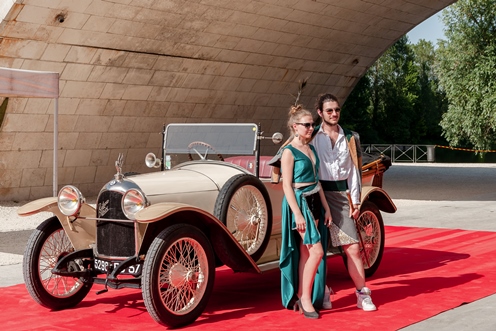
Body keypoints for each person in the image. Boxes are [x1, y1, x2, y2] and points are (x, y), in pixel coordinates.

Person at [311, 93, 377, 312]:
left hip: (342, 196)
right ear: (320, 113)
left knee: (353, 248)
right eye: (329, 110)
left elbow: (354, 172)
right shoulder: (311, 136)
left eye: (337, 110)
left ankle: (362, 294)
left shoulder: (350, 137)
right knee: (318, 249)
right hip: (317, 195)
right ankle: (324, 291)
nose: (334, 114)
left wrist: (355, 201)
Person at [279, 104, 332, 319]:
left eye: (313, 124)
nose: (311, 128)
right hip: (300, 204)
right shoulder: (288, 152)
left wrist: (326, 207)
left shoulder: (310, 149)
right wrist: (298, 215)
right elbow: (286, 186)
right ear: (295, 126)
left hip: (315, 201)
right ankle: (306, 299)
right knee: (317, 252)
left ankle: (302, 293)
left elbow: (317, 181)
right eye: (307, 125)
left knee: (306, 252)